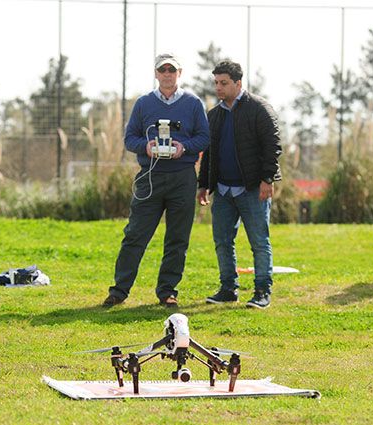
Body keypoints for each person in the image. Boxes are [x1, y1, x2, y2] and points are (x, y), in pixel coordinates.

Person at [102, 53, 210, 308]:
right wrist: (147, 146)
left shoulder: (193, 103)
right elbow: (130, 140)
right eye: (163, 70)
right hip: (150, 176)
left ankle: (167, 291)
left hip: (182, 177)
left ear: (179, 73)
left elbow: (204, 138)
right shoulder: (144, 104)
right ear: (156, 73)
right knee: (135, 234)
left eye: (172, 70)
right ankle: (119, 290)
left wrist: (184, 147)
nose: (167, 74)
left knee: (177, 238)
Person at [198, 60, 282, 309]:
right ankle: (228, 289)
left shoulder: (259, 109)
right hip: (222, 192)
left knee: (259, 242)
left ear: (238, 83)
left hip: (252, 190)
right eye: (216, 83)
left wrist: (267, 179)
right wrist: (204, 185)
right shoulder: (213, 115)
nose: (219, 88)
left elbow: (273, 146)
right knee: (223, 241)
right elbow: (208, 154)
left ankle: (262, 291)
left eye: (223, 83)